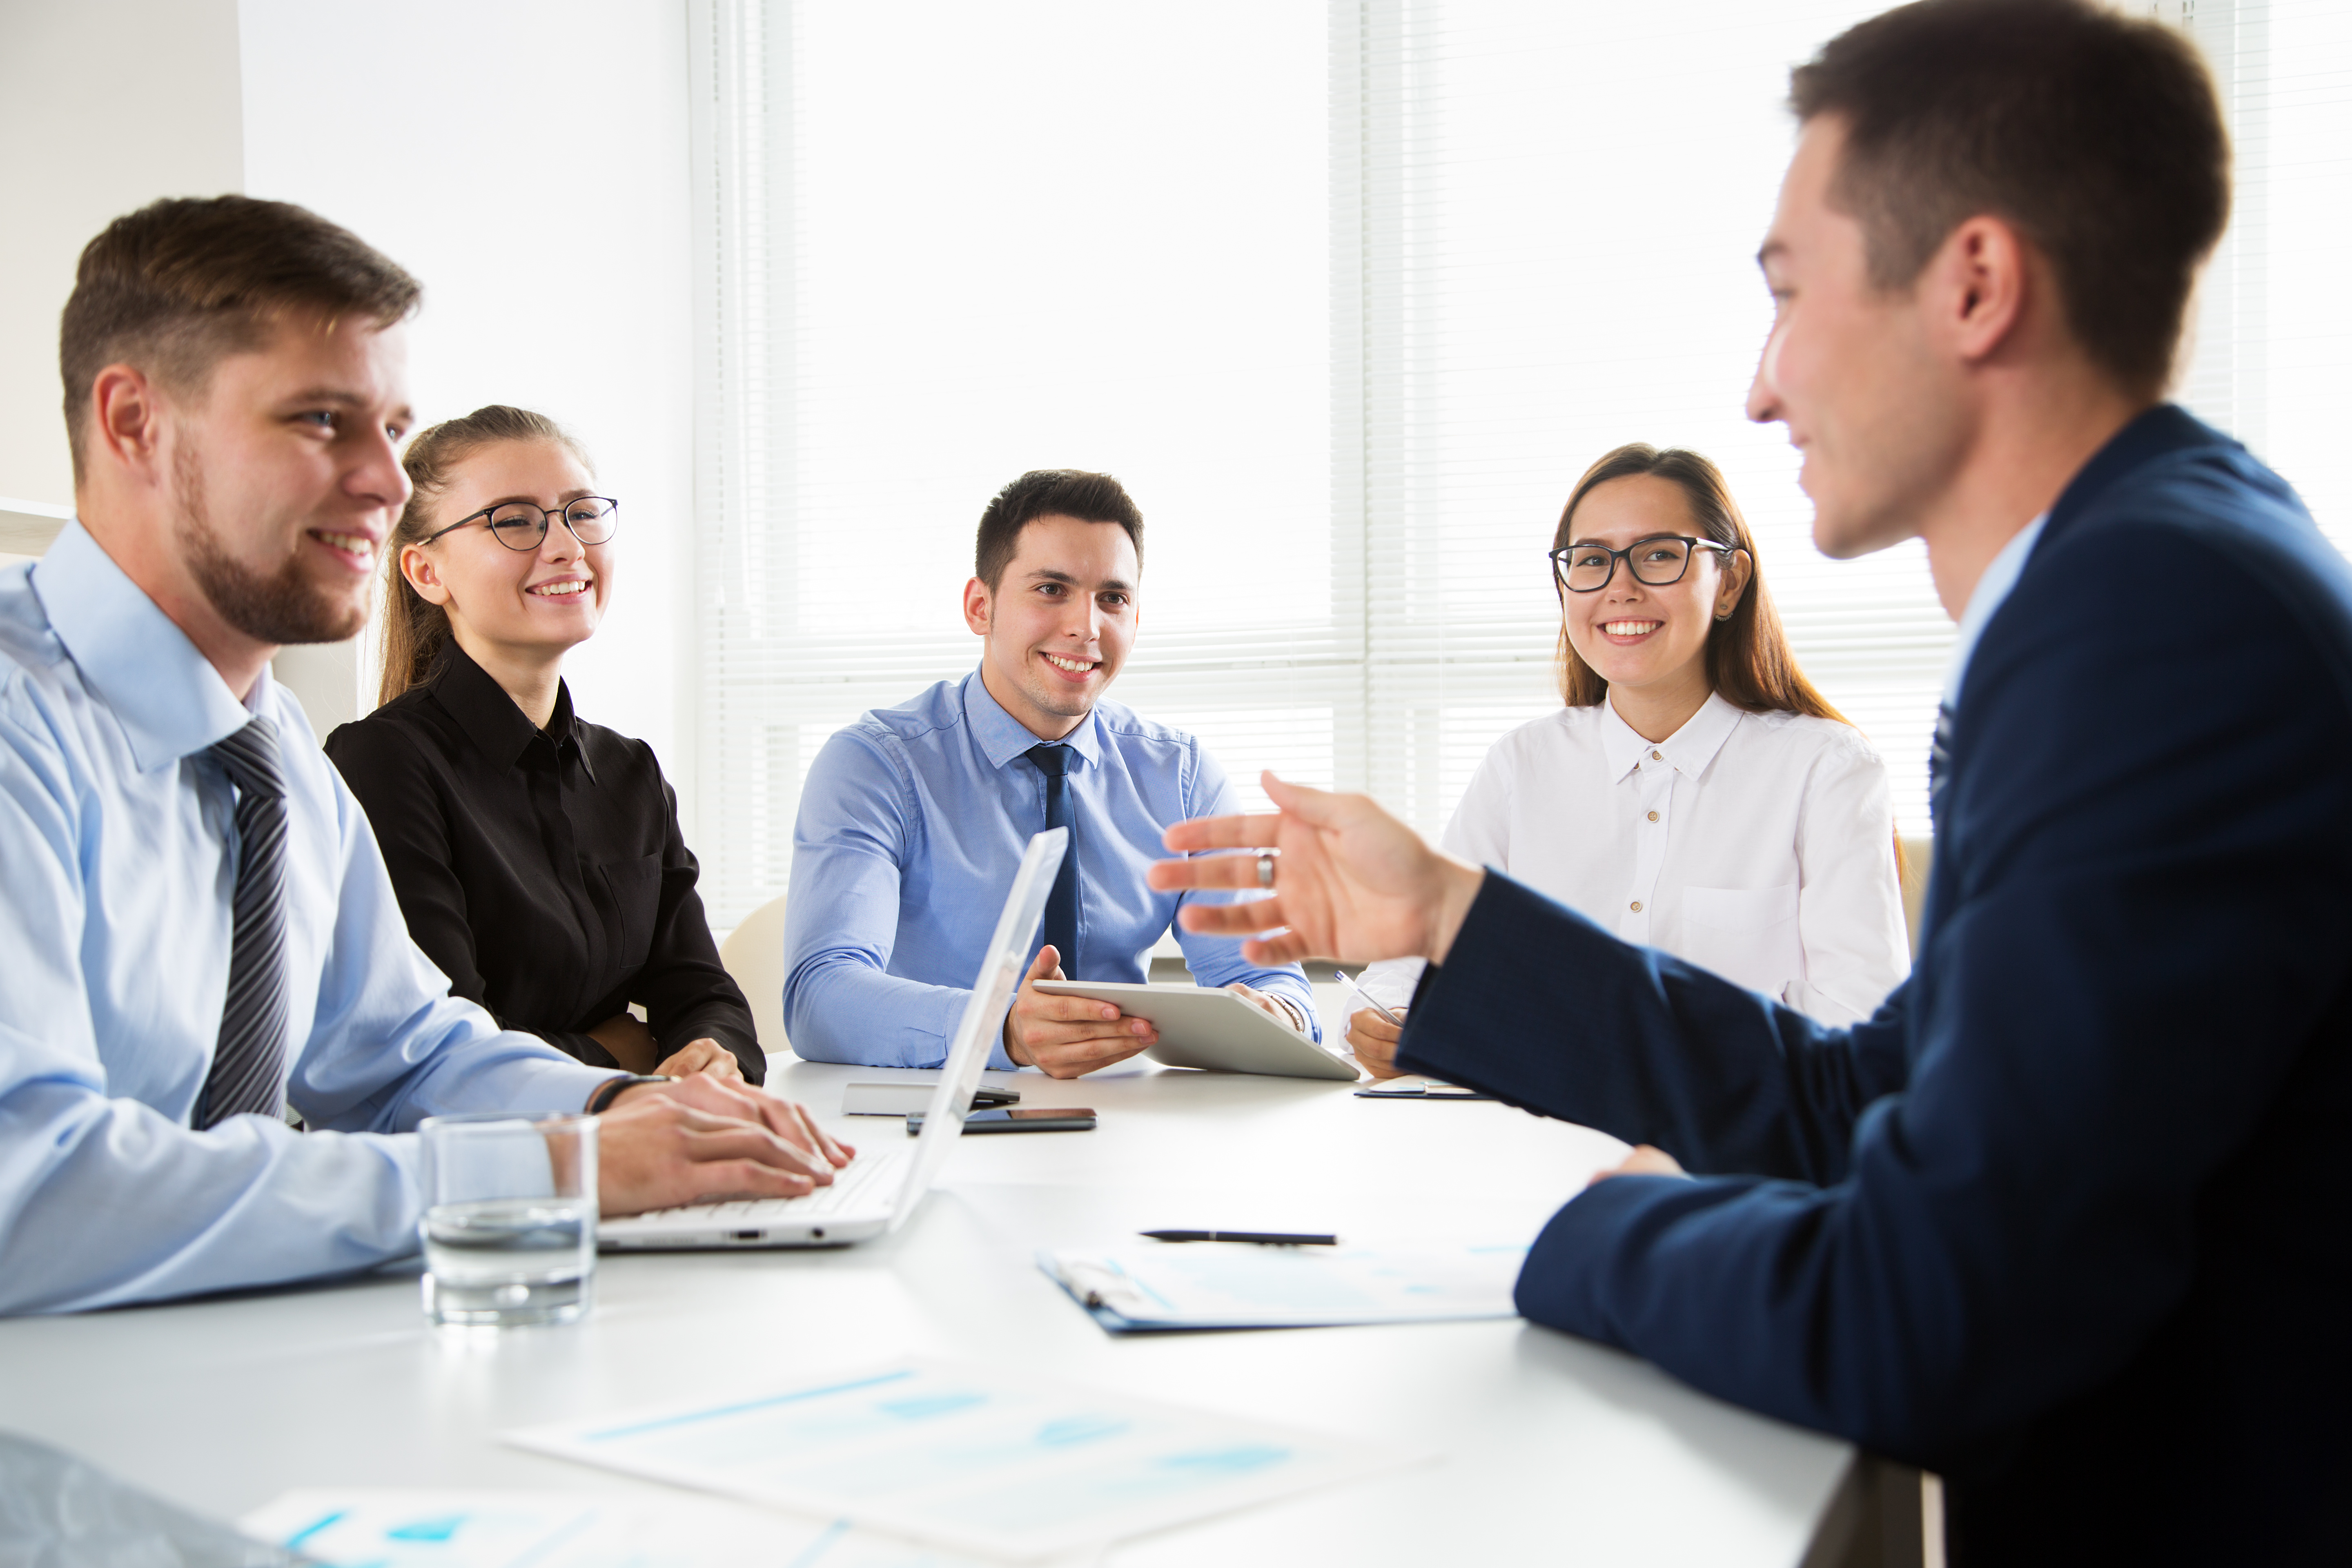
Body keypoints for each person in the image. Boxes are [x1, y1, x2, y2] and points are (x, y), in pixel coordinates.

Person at [1150, 2, 2348, 1560]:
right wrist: (1450, 911)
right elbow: (1855, 1100)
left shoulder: (2148, 628)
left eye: (1790, 297)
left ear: (1975, 285)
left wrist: (1592, 1227)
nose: (1764, 388)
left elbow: (1937, 1307)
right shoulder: (2151, 578)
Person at [0, 196, 849, 1317]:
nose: (388, 484)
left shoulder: (275, 754)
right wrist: (555, 1171)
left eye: (390, 430)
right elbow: (34, 1196)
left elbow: (397, 1051)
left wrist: (617, 1114)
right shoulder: (27, 725)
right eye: (319, 421)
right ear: (133, 423)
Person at [1347, 443, 1907, 1074]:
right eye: (1591, 561)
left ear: (1730, 582)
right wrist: (1393, 1026)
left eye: (1660, 556)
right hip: (1517, 1144)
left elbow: (1860, 1022)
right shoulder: (1522, 766)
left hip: (1731, 1155)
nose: (1620, 588)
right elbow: (1402, 974)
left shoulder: (1825, 769)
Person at [784, 469, 1319, 1078]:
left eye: (1112, 599)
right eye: (1051, 589)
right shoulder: (876, 765)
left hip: (1128, 1122)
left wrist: (1280, 1014)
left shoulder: (1181, 776)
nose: (1086, 627)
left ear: (1136, 620)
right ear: (980, 607)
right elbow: (821, 996)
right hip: (936, 1111)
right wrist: (1003, 1028)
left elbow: (1268, 978)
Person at [324, 405, 759, 1085]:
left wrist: (709, 1056)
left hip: (639, 1149)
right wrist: (622, 1054)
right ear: (426, 573)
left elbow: (706, 997)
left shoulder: (629, 773)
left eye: (581, 513)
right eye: (516, 520)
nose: (567, 546)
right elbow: (443, 1047)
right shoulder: (380, 765)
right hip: (482, 1170)